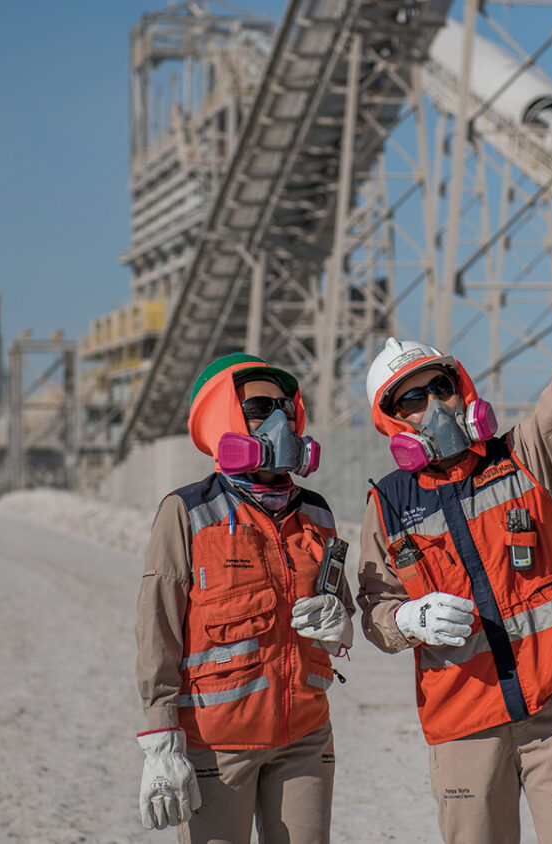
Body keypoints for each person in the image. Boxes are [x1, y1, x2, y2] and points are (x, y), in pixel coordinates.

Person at [358, 230, 552, 843]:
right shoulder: (388, 505)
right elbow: (373, 607)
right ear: (391, 420)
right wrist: (406, 621)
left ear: (461, 387)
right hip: (463, 724)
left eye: (440, 387)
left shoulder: (526, 457)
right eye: (412, 399)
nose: (433, 406)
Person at [135, 353, 354, 843]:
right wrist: (161, 738)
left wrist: (342, 623)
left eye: (285, 407)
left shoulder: (315, 513)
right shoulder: (187, 511)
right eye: (259, 407)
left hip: (305, 737)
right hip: (216, 744)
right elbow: (158, 629)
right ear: (223, 418)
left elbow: (341, 606)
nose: (279, 419)